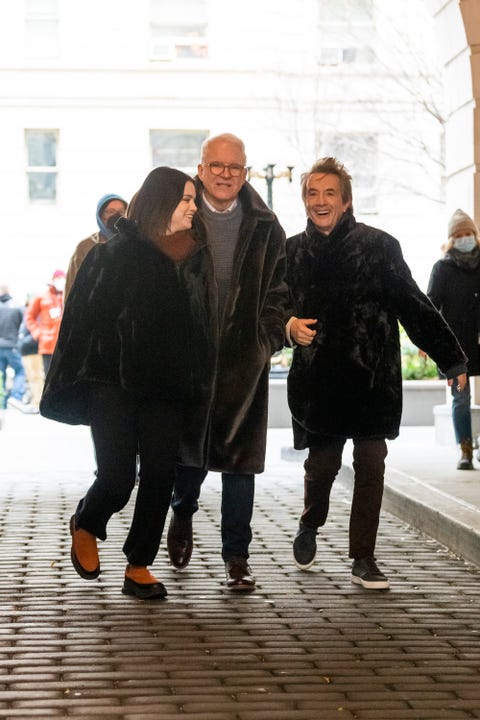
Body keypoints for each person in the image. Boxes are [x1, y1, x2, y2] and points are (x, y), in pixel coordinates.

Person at [286, 157, 467, 590]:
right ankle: (310, 523)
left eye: (330, 193)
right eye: (313, 193)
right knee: (322, 466)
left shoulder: (380, 246)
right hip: (319, 384)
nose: (321, 201)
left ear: (346, 201)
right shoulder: (291, 251)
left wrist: (452, 358)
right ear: (305, 201)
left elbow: (412, 303)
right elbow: (269, 308)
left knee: (371, 464)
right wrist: (286, 327)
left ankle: (363, 557)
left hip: (372, 381)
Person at [40, 167, 212, 600]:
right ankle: (88, 521)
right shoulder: (109, 255)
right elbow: (80, 320)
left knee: (159, 476)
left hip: (169, 385)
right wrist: (77, 381)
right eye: (187, 199)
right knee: (117, 476)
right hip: (112, 381)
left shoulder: (195, 258)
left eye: (194, 200)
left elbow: (204, 323)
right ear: (160, 203)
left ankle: (138, 565)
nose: (194, 207)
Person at [166, 133, 289, 591]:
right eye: (215, 166)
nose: (224, 174)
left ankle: (237, 558)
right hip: (188, 362)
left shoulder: (266, 226)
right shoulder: (180, 217)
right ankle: (181, 513)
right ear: (200, 170)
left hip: (243, 363)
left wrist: (266, 340)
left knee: (240, 465)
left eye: (233, 168)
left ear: (245, 172)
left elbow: (280, 292)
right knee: (189, 460)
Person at [426, 208, 480, 470]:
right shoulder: (442, 268)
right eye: (459, 235)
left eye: (468, 233)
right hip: (455, 348)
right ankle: (466, 449)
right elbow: (430, 305)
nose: (464, 238)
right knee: (460, 397)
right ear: (451, 239)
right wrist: (427, 340)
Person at [64, 193, 127, 300]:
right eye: (110, 211)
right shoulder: (86, 247)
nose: (117, 215)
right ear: (101, 215)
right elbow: (72, 287)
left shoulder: (134, 244)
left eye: (121, 211)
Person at [25, 270, 66, 376]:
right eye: (58, 279)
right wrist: (38, 333)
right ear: (53, 280)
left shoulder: (67, 295)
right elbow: (29, 316)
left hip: (65, 344)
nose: (61, 282)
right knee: (49, 376)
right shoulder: (41, 297)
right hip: (47, 345)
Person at [0, 285, 26, 410]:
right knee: (20, 371)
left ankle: (2, 401)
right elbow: (24, 326)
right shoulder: (17, 306)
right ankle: (15, 397)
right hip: (12, 346)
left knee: (1, 374)